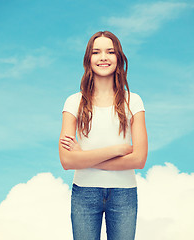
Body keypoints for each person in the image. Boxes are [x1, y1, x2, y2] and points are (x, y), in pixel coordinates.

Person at [59, 31, 148, 240]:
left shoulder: (133, 102)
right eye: (96, 52)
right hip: (84, 193)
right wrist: (117, 150)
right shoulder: (73, 102)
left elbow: (139, 159)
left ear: (119, 58)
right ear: (88, 59)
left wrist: (85, 158)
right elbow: (66, 160)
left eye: (110, 52)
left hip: (124, 193)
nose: (103, 57)